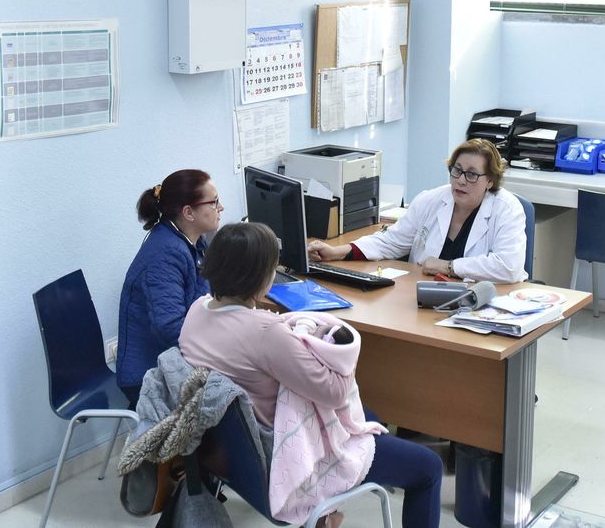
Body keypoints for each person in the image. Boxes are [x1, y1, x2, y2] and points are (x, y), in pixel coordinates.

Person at [179, 222, 443, 528]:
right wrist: (340, 348)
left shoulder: (197, 311)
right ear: (260, 277)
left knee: (370, 416)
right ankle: (321, 513)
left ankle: (324, 517)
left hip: (233, 459)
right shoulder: (266, 333)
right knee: (429, 469)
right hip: (285, 458)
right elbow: (335, 392)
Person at [308, 138, 528, 283]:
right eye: (456, 170)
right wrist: (336, 252)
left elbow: (509, 267)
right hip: (426, 298)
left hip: (483, 304)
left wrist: (449, 266)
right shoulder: (430, 200)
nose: (460, 180)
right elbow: (391, 241)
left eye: (471, 174)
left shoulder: (507, 210)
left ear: (490, 180)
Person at [116, 168, 224, 407]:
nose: (221, 207)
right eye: (214, 202)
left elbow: (208, 292)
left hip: (178, 355)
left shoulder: (193, 242)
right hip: (148, 374)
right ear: (188, 212)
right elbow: (170, 329)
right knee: (240, 387)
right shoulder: (164, 254)